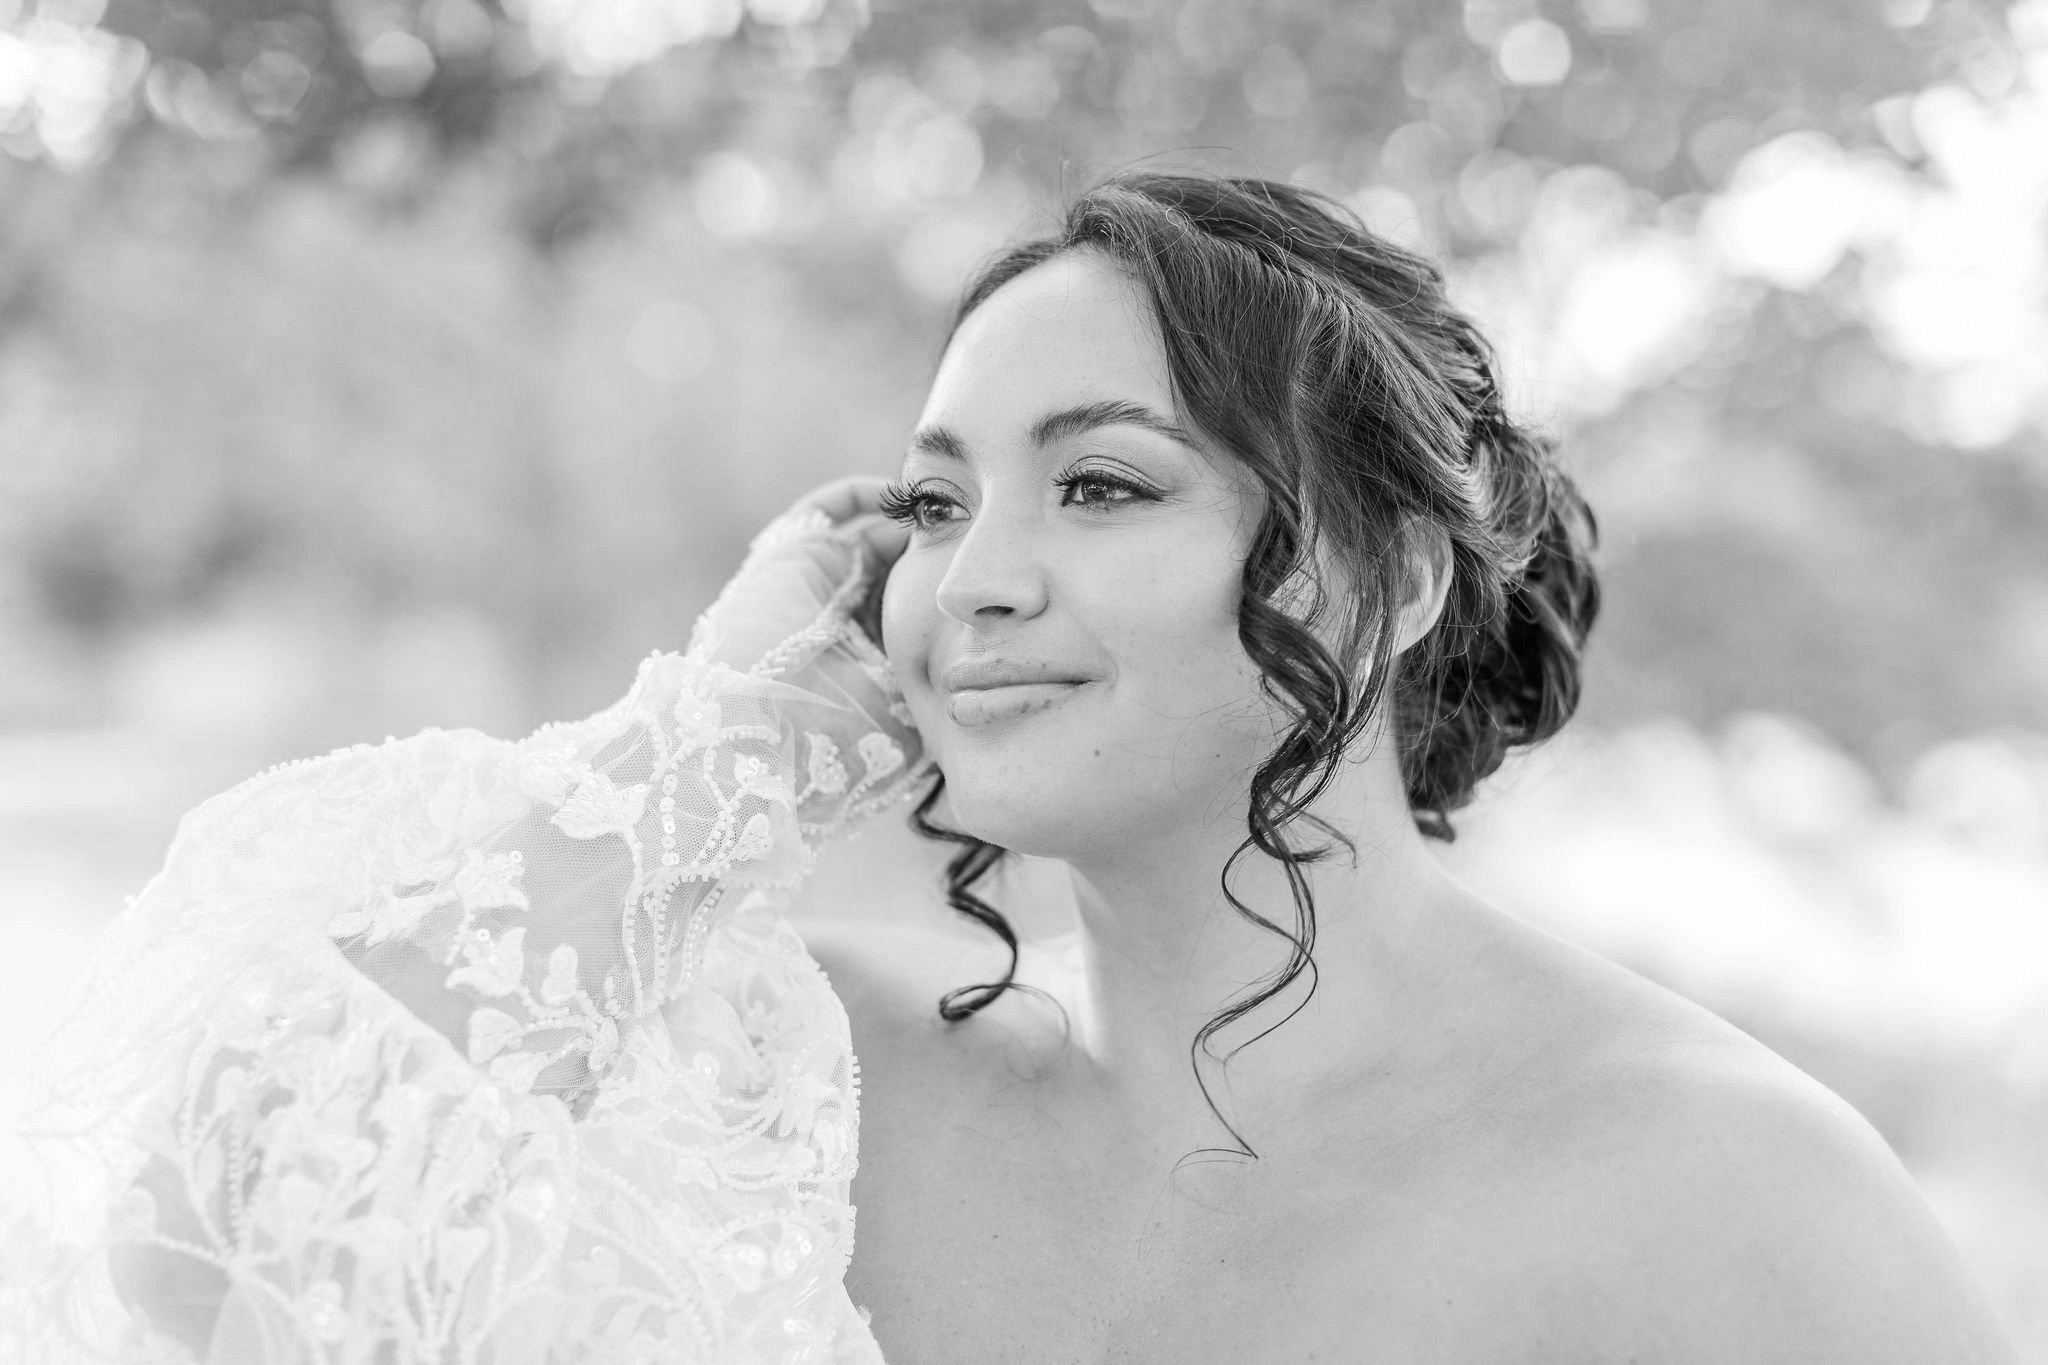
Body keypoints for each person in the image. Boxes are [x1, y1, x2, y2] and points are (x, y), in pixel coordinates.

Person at [4, 171, 2016, 1364]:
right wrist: (721, 737)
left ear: (1391, 572)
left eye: (1103, 482)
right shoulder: (819, 1081)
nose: (981, 576)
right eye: (939, 498)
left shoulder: (1729, 1196)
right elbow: (209, 1241)